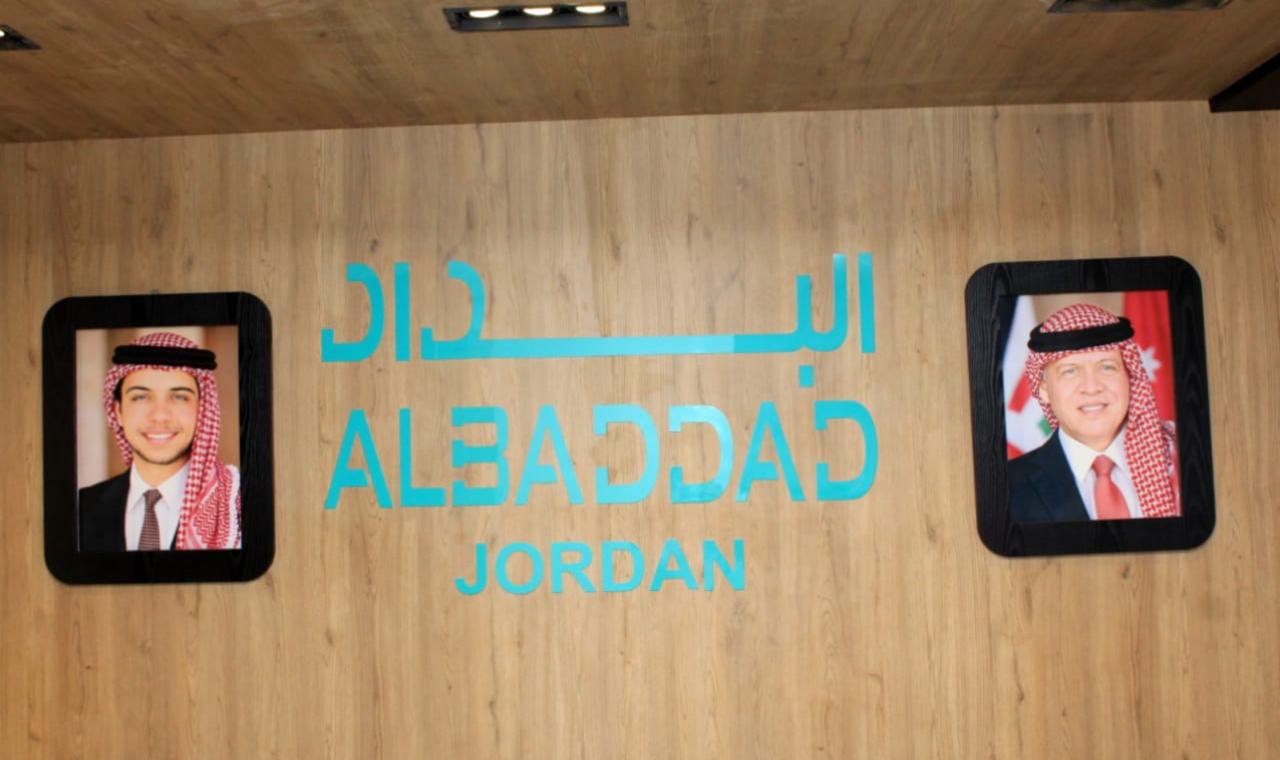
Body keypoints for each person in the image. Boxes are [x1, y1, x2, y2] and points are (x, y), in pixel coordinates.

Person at [1007, 303, 1179, 523]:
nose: (1091, 387)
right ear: (1045, 391)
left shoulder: (1178, 458)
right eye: (1070, 371)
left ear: (1130, 377)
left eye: (1107, 367)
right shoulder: (1007, 489)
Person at [78, 332, 241, 551]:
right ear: (118, 411)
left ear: (202, 410)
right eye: (141, 397)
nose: (160, 416)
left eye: (179, 397)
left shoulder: (238, 507)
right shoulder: (78, 508)